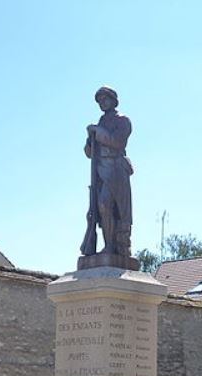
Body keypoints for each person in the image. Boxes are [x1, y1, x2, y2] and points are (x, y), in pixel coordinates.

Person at [82, 86, 134, 257]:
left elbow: (118, 142)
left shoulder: (122, 121)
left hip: (116, 169)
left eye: (105, 99)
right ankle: (108, 245)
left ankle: (115, 246)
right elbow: (89, 153)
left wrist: (98, 132)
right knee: (101, 209)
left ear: (113, 100)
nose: (102, 103)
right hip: (101, 170)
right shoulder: (100, 123)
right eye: (99, 101)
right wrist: (90, 140)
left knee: (108, 205)